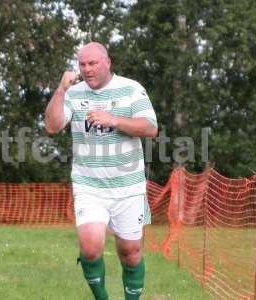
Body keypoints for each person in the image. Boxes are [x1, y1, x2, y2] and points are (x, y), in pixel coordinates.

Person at [45, 42, 158, 300]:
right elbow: (52, 126)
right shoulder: (73, 93)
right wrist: (61, 90)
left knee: (130, 253)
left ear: (107, 62)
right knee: (90, 247)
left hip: (128, 187)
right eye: (82, 64)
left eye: (92, 63)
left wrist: (114, 120)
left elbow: (151, 128)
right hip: (89, 186)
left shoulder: (131, 88)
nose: (87, 69)